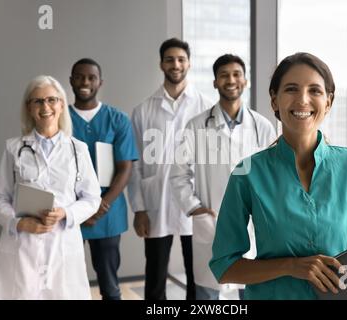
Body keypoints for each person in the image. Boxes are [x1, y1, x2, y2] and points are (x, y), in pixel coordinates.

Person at [209, 52, 347, 300]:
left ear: (329, 101)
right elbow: (224, 267)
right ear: (274, 101)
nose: (303, 100)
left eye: (315, 90)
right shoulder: (247, 173)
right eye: (291, 89)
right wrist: (292, 266)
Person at [170, 54, 276, 299]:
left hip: (253, 223)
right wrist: (195, 208)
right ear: (215, 82)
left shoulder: (262, 127)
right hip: (212, 221)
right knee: (207, 294)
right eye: (224, 75)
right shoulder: (196, 125)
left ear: (245, 81)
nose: (231, 80)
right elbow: (178, 175)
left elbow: (273, 178)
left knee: (250, 291)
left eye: (237, 74)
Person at [0, 75, 101, 299]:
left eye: (51, 100)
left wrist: (65, 213)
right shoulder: (13, 148)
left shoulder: (78, 150)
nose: (45, 106)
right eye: (37, 101)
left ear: (61, 105)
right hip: (22, 246)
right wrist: (18, 223)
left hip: (62, 246)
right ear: (29, 108)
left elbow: (92, 199)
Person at [128, 38, 212, 300]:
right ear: (161, 64)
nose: (175, 64)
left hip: (196, 201)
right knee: (154, 274)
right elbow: (135, 164)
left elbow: (214, 161)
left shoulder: (206, 107)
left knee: (198, 274)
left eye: (181, 59)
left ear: (188, 63)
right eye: (170, 59)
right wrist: (139, 208)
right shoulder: (143, 110)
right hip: (157, 203)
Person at [69, 58, 138, 300]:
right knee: (66, 280)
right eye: (79, 76)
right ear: (71, 81)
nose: (85, 82)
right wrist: (79, 209)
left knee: (109, 284)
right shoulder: (61, 119)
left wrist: (99, 206)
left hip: (106, 213)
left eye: (91, 77)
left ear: (100, 82)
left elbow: (124, 168)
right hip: (69, 212)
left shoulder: (117, 120)